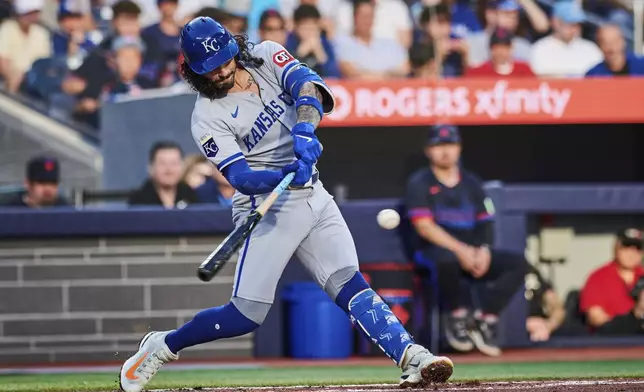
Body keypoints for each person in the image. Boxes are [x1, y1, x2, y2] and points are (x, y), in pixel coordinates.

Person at [118, 17, 453, 392]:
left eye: (225, 60)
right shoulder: (206, 117)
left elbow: (306, 86)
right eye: (210, 69)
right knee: (244, 315)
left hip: (312, 194)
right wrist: (282, 173)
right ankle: (162, 346)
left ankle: (412, 357)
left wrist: (305, 128)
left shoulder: (265, 55)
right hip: (266, 206)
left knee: (349, 282)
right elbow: (241, 178)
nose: (223, 71)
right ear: (195, 72)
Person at [405, 124, 527, 357]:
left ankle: (485, 318)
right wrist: (461, 250)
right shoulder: (420, 183)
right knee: (447, 259)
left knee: (518, 263)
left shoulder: (472, 183)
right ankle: (458, 317)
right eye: (438, 145)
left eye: (450, 145)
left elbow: (485, 222)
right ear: (428, 150)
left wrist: (482, 251)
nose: (445, 151)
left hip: (471, 252)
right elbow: (425, 227)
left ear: (459, 148)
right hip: (434, 252)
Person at [579, 228, 644, 335]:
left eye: (637, 248)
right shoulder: (598, 277)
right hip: (610, 341)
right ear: (616, 248)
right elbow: (595, 318)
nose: (632, 253)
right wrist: (632, 319)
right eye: (626, 247)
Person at [529, 2, 602, 78]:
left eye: (577, 24)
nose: (574, 28)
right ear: (555, 22)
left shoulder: (591, 49)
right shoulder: (540, 49)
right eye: (569, 23)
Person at [127, 141, 199, 209]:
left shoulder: (191, 196)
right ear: (150, 168)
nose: (169, 169)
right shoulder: (139, 200)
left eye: (174, 163)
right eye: (162, 163)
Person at [1, 156, 69, 208]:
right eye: (42, 183)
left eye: (53, 183)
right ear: (27, 184)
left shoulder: (67, 210)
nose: (48, 188)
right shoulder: (11, 210)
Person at [465, 28, 535, 77]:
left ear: (511, 48)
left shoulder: (524, 70)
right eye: (496, 48)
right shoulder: (478, 73)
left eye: (504, 47)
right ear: (490, 49)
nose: (500, 52)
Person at [525, 264, 566, 342]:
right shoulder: (498, 272)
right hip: (507, 333)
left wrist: (548, 326)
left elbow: (558, 309)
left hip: (540, 332)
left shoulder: (531, 273)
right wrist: (524, 324)